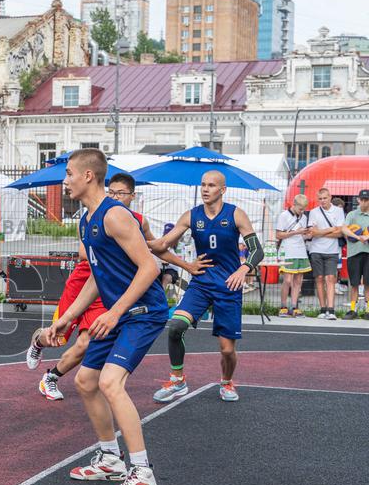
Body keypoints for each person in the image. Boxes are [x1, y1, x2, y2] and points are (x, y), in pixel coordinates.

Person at [45, 148, 167, 485]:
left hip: (143, 311)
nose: (64, 180)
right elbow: (98, 278)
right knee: (85, 381)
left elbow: (150, 268)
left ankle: (143, 474)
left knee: (111, 382)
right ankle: (110, 459)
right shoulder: (87, 220)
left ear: (87, 176)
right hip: (117, 313)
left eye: (68, 173)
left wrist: (114, 313)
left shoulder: (115, 216)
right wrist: (68, 317)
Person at [27, 173, 209, 401]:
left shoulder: (138, 221)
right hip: (85, 281)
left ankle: (51, 378)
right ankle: (38, 340)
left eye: (120, 193)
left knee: (85, 343)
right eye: (111, 192)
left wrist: (186, 266)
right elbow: (84, 252)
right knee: (58, 337)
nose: (114, 196)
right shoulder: (92, 216)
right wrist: (118, 246)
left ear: (132, 196)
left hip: (111, 290)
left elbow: (156, 249)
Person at [149, 170, 262, 404]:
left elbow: (257, 250)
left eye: (211, 185)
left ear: (222, 190)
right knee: (176, 327)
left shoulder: (236, 214)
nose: (205, 189)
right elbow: (161, 246)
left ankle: (226, 381)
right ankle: (177, 380)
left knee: (227, 350)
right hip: (201, 283)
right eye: (203, 185)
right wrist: (186, 265)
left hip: (228, 286)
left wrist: (243, 269)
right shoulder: (191, 216)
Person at [305, 188, 344, 319]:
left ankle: (331, 310)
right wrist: (330, 229)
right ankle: (323, 309)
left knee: (330, 279)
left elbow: (340, 232)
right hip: (316, 250)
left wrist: (320, 232)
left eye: (325, 198)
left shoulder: (338, 211)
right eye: (320, 199)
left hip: (332, 251)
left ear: (330, 197)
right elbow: (312, 232)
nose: (322, 201)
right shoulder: (314, 212)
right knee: (319, 279)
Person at [275, 194, 312, 317]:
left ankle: (294, 306)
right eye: (300, 208)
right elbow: (278, 235)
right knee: (287, 280)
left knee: (298, 281)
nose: (302, 211)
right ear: (294, 204)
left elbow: (302, 235)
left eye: (304, 209)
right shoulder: (284, 215)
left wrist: (308, 234)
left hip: (300, 250)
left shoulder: (303, 217)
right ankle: (283, 306)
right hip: (288, 249)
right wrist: (297, 232)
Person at [342, 189, 369, 319]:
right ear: (358, 200)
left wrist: (367, 237)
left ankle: (368, 310)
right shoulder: (352, 214)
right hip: (354, 253)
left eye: (367, 200)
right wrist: (358, 237)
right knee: (354, 283)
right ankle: (353, 310)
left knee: (368, 283)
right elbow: (344, 229)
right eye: (362, 199)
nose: (364, 202)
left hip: (368, 252)